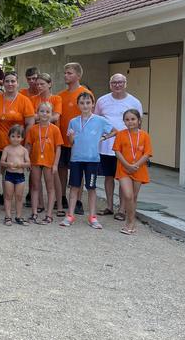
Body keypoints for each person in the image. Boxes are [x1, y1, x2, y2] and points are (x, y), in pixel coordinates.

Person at [0, 72, 35, 215]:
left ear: (17, 83)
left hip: (15, 146)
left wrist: (26, 145)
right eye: (7, 81)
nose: (10, 84)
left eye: (13, 81)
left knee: (10, 175)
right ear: (3, 83)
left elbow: (30, 124)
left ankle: (9, 205)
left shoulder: (24, 101)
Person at [61, 92, 115, 229]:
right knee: (74, 187)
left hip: (92, 159)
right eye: (82, 103)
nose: (85, 105)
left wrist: (103, 138)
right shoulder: (73, 121)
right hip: (76, 159)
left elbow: (115, 131)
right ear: (78, 105)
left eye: (88, 103)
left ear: (93, 104)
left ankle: (92, 216)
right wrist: (71, 137)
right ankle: (70, 215)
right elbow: (71, 142)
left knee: (91, 188)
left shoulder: (99, 120)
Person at [94, 74, 143, 220]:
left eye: (120, 82)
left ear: (125, 83)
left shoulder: (134, 102)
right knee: (108, 177)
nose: (117, 85)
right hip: (106, 147)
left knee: (123, 178)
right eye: (114, 82)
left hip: (125, 148)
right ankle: (109, 206)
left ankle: (121, 209)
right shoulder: (102, 100)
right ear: (110, 84)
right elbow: (96, 120)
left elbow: (139, 125)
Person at [57, 62, 92, 216]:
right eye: (65, 73)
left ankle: (78, 200)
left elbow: (90, 116)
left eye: (69, 73)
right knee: (62, 169)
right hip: (63, 139)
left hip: (79, 142)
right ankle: (63, 197)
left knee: (79, 172)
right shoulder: (60, 95)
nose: (66, 75)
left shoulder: (85, 93)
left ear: (78, 75)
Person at [113, 109, 152, 235]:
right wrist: (127, 165)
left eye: (133, 119)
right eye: (127, 119)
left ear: (139, 120)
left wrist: (135, 165)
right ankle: (129, 222)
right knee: (128, 195)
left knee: (134, 197)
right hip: (124, 169)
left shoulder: (145, 135)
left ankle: (131, 222)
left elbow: (147, 153)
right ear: (124, 121)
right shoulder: (121, 134)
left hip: (139, 169)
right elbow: (117, 151)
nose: (130, 122)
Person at [24, 102, 63, 224]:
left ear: (51, 114)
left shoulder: (55, 129)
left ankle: (49, 214)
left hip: (49, 162)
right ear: (37, 113)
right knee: (35, 186)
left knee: (50, 188)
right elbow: (29, 146)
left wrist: (55, 164)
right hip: (35, 161)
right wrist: (27, 160)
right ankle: (34, 212)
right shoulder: (33, 129)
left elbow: (58, 148)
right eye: (42, 111)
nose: (44, 114)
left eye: (47, 112)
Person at [0, 124, 31, 226]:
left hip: (20, 176)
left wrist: (21, 165)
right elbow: (2, 162)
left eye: (18, 136)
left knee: (19, 197)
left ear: (22, 138)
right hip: (9, 175)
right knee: (8, 196)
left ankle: (18, 216)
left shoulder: (24, 150)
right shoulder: (7, 149)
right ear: (9, 137)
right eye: (13, 136)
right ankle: (8, 216)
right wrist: (8, 164)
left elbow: (28, 163)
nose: (15, 139)